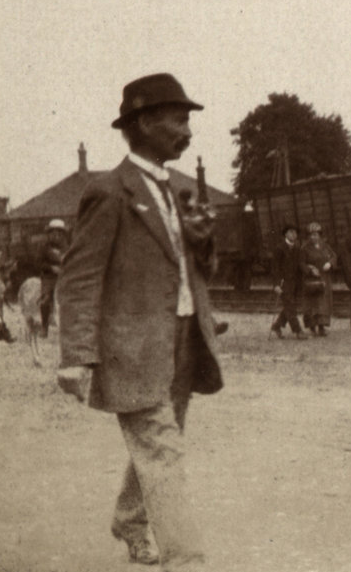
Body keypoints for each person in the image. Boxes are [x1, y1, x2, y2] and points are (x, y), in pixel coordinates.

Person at [56, 73, 223, 570]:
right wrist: (76, 356)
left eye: (188, 120)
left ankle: (131, 520)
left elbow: (197, 274)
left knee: (159, 444)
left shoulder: (176, 191)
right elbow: (79, 278)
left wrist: (202, 241)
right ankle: (186, 560)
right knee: (162, 452)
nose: (188, 131)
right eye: (178, 119)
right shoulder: (109, 191)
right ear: (145, 121)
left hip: (183, 342)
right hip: (134, 349)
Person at [270, 225, 307, 340]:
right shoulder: (279, 249)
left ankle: (276, 326)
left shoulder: (297, 248)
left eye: (295, 232)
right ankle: (298, 331)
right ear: (285, 234)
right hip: (283, 283)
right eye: (291, 232)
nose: (294, 235)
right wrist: (276, 284)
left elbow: (300, 266)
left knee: (289, 306)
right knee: (290, 307)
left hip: (295, 283)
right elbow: (274, 268)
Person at [300, 222, 335, 336]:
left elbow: (334, 256)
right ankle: (312, 327)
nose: (313, 237)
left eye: (315, 235)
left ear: (320, 235)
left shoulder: (325, 246)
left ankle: (322, 327)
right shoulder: (304, 248)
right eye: (311, 235)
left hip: (324, 278)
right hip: (311, 280)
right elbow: (301, 263)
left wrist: (330, 263)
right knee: (312, 304)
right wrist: (310, 269)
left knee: (323, 304)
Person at [39, 218, 69, 338]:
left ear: (62, 234)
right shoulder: (44, 247)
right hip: (49, 277)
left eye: (59, 232)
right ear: (49, 234)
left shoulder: (67, 247)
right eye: (53, 232)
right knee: (45, 299)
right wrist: (51, 268)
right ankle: (44, 327)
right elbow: (38, 263)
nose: (56, 235)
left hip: (64, 277)